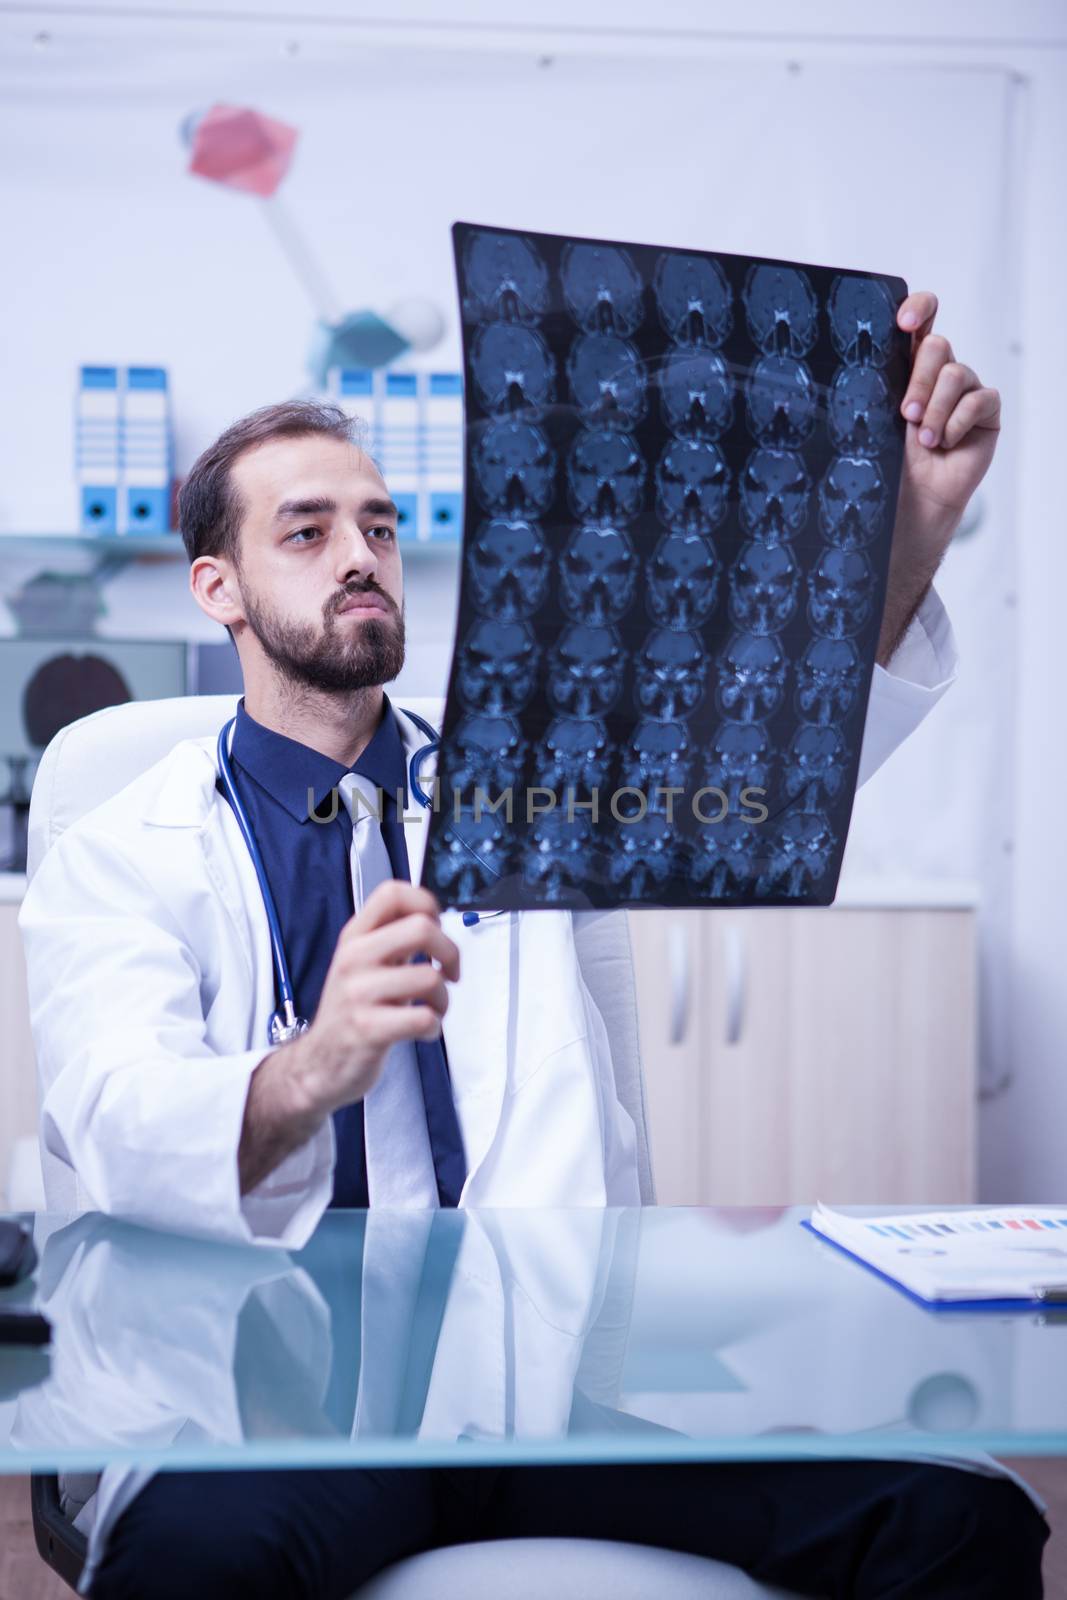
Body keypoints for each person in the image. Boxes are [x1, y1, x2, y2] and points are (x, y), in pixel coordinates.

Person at [20, 289, 1047, 1596]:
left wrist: (912, 525)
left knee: (957, 1516)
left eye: (379, 526)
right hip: (267, 1414)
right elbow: (113, 1117)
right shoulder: (123, 851)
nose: (362, 556)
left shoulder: (527, 779)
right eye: (309, 530)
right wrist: (315, 1065)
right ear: (214, 584)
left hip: (531, 1391)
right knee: (197, 1565)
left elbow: (771, 763)